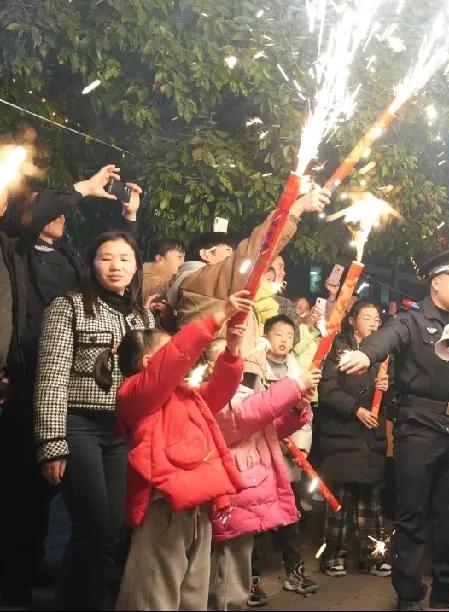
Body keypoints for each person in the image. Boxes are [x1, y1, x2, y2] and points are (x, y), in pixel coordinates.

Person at [0, 165, 139, 608]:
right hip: (34, 384)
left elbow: (120, 261)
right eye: (51, 208)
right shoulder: (17, 248)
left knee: (93, 522)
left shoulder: (72, 258)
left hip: (101, 411)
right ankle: (15, 578)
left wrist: (130, 218)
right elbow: (52, 373)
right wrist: (80, 189)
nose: (61, 216)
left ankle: (39, 568)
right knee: (26, 491)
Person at [339, 248, 449, 612]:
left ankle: (447, 586)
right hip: (419, 428)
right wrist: (366, 355)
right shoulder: (413, 319)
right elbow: (386, 338)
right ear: (436, 283)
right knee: (413, 512)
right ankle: (408, 594)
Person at [33, 231, 155, 609]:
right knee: (94, 528)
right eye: (106, 258)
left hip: (121, 431)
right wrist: (51, 444)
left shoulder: (143, 315)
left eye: (124, 258)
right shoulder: (67, 307)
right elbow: (51, 377)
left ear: (136, 266)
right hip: (79, 426)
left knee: (115, 530)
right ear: (92, 263)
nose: (115, 266)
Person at [113, 292, 251, 610]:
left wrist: (231, 352)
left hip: (198, 506)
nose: (182, 353)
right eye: (169, 347)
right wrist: (217, 315)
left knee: (193, 592)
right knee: (154, 592)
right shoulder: (135, 394)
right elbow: (175, 357)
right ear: (148, 363)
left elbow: (220, 389)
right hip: (163, 506)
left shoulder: (186, 396)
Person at [208, 337, 320, 611]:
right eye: (225, 356)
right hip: (230, 496)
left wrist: (296, 409)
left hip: (247, 496)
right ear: (210, 365)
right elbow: (246, 417)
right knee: (225, 579)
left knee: (235, 577)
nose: (235, 361)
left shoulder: (243, 392)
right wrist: (294, 385)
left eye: (236, 355)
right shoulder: (209, 397)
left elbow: (270, 426)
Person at [171, 186, 329, 379]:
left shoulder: (210, 284)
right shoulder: (198, 279)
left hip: (233, 372)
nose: (232, 255)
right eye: (227, 250)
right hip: (219, 376)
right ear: (204, 254)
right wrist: (295, 210)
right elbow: (252, 253)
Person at [314, 302, 391, 578]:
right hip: (342, 434)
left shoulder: (382, 355)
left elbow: (390, 401)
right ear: (352, 321)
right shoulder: (336, 349)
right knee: (339, 500)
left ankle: (373, 556)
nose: (373, 322)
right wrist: (355, 409)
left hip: (370, 436)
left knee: (369, 500)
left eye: (377, 318)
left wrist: (387, 388)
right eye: (367, 317)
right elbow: (327, 388)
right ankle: (333, 555)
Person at [253, 314, 318, 597]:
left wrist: (301, 447)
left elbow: (306, 415)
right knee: (253, 519)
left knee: (289, 515)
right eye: (278, 334)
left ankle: (294, 571)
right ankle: (251, 579)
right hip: (257, 453)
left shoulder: (297, 370)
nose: (284, 340)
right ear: (266, 335)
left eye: (289, 336)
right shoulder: (253, 367)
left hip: (287, 455)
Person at [141, 238, 185, 304]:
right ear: (160, 259)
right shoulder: (153, 283)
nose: (183, 262)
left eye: (184, 257)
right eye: (179, 257)